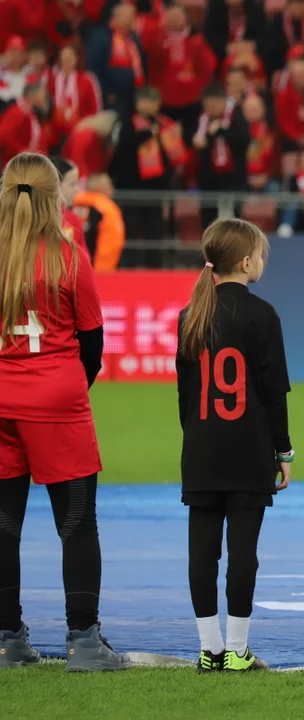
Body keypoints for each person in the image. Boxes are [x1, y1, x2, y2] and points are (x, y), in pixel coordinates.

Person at [0, 151, 131, 672]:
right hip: (57, 398)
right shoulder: (68, 256)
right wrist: (70, 386)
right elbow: (92, 343)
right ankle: (84, 643)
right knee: (76, 524)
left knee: (4, 524)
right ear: (55, 196)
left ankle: (8, 640)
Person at [176, 218, 292, 673]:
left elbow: (185, 397)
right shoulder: (262, 314)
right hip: (249, 451)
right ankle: (239, 651)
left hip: (202, 452)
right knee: (244, 553)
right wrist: (283, 452)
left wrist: (197, 443)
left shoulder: (191, 314)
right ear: (246, 262)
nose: (263, 261)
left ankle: (209, 649)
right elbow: (274, 392)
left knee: (201, 554)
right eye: (261, 255)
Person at [50, 156, 87, 252]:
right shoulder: (31, 218)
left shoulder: (73, 220)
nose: (77, 190)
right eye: (72, 184)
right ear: (54, 185)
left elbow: (83, 259)